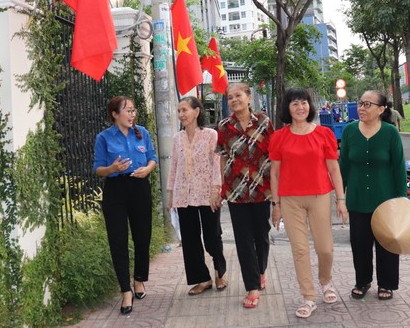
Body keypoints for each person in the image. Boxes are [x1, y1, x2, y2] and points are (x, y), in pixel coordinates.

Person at [269, 88, 347, 319]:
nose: (300, 107)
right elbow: (274, 174)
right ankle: (308, 296)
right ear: (288, 109)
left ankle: (326, 280)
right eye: (294, 104)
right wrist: (276, 204)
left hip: (320, 196)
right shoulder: (279, 137)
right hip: (290, 199)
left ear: (309, 106)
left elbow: (334, 168)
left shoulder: (324, 134)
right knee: (300, 250)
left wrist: (340, 200)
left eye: (303, 103)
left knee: (325, 248)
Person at [339, 90, 406, 301]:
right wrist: (340, 197)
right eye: (360, 103)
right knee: (359, 244)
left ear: (381, 109)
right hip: (357, 199)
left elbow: (399, 168)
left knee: (387, 243)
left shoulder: (390, 133)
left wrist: (401, 200)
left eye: (368, 104)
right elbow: (344, 167)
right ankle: (362, 281)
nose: (361, 108)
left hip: (386, 199)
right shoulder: (349, 131)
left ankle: (386, 283)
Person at [93, 96, 158, 315]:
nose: (132, 114)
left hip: (139, 187)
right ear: (114, 114)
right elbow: (98, 169)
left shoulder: (143, 133)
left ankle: (139, 279)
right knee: (118, 240)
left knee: (142, 237)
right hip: (115, 190)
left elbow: (152, 158)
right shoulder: (103, 137)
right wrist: (112, 168)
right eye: (127, 110)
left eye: (133, 110)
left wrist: (147, 169)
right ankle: (125, 290)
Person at [215, 83, 274, 309]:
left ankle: (261, 271)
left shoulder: (264, 122)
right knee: (243, 240)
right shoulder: (224, 126)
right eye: (230, 98)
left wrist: (276, 190)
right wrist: (220, 187)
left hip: (261, 189)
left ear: (249, 97)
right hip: (235, 190)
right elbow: (222, 156)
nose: (234, 100)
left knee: (262, 236)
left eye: (238, 96)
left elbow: (273, 156)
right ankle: (252, 286)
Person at [167, 96, 227, 296]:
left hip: (207, 193)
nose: (181, 114)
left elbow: (216, 163)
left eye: (184, 110)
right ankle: (203, 278)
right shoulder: (177, 138)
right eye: (179, 111)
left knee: (212, 237)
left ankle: (220, 271)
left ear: (196, 111)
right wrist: (171, 195)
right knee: (190, 240)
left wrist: (216, 190)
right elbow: (174, 166)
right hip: (183, 194)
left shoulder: (211, 135)